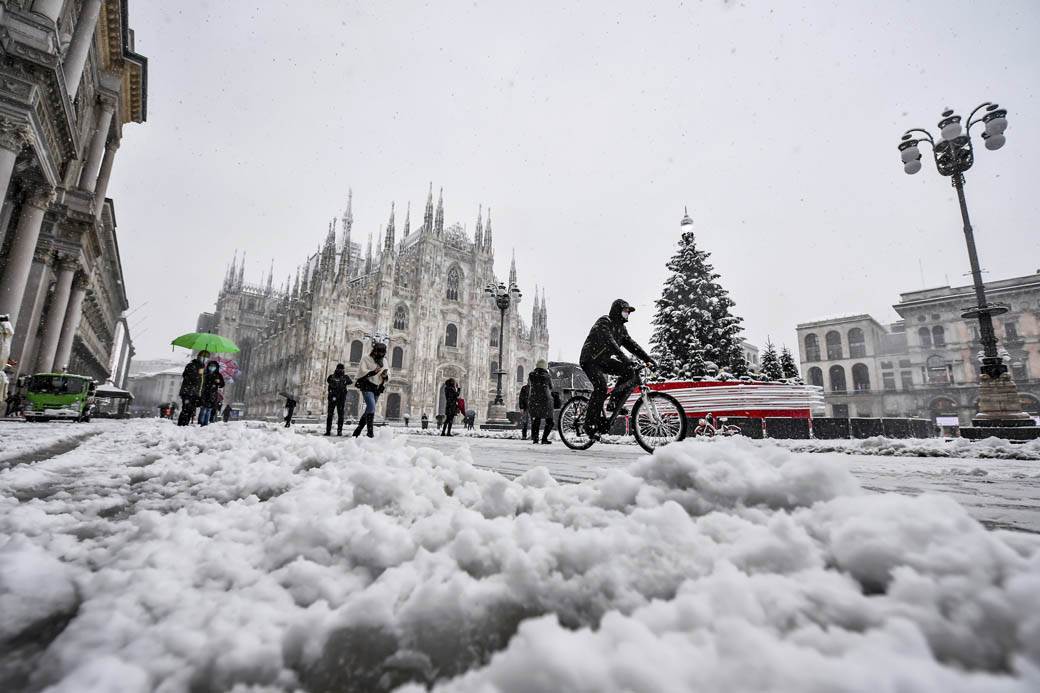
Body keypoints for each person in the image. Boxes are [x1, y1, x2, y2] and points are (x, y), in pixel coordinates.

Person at [579, 299, 655, 438]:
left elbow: (632, 345)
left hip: (603, 360)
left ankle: (613, 402)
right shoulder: (604, 322)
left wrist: (647, 359)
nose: (627, 314)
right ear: (617, 311)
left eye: (628, 312)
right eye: (625, 311)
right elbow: (610, 342)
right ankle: (589, 425)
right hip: (590, 359)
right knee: (601, 387)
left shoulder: (621, 329)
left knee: (629, 372)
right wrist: (624, 358)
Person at [353, 342, 389, 437]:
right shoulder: (366, 358)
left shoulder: (384, 360)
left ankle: (358, 429)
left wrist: (385, 375)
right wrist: (372, 372)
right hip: (367, 385)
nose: (381, 355)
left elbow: (388, 372)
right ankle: (370, 433)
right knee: (372, 407)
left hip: (377, 387)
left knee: (369, 409)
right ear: (375, 351)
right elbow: (362, 371)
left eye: (383, 353)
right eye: (379, 352)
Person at [177, 350, 210, 426]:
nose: (205, 358)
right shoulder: (191, 365)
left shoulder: (203, 368)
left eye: (207, 357)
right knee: (186, 409)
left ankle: (185, 425)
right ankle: (181, 425)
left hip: (196, 393)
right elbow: (187, 376)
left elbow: (202, 382)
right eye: (203, 356)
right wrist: (198, 374)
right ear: (199, 356)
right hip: (188, 392)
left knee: (191, 410)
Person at [527, 359, 556, 444]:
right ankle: (544, 439)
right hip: (546, 400)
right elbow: (551, 387)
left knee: (536, 419)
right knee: (550, 421)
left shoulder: (531, 375)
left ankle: (535, 438)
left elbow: (528, 385)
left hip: (534, 399)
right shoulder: (547, 376)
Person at [325, 363, 353, 436]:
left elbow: (350, 382)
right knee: (332, 415)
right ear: (336, 369)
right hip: (333, 398)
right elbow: (328, 381)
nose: (340, 370)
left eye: (341, 369)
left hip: (339, 398)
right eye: (339, 369)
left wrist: (343, 380)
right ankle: (330, 431)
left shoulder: (344, 377)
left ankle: (338, 431)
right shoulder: (332, 377)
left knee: (339, 415)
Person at [197, 359, 225, 426]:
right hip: (204, 393)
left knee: (209, 410)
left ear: (216, 367)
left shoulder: (218, 375)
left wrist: (219, 382)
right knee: (203, 409)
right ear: (208, 366)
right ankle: (200, 423)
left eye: (213, 366)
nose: (212, 367)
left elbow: (222, 384)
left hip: (213, 394)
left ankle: (205, 424)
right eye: (211, 366)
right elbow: (199, 380)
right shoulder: (205, 373)